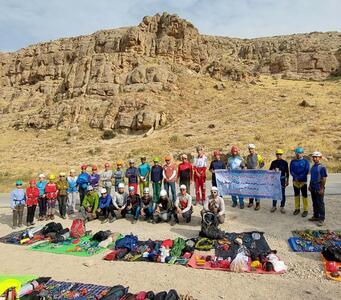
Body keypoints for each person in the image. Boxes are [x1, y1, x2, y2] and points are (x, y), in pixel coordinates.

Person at [308, 151, 328, 227]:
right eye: (313, 157)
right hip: (313, 187)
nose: (314, 158)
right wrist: (310, 185)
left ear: (320, 158)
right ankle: (316, 216)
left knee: (320, 204)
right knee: (315, 203)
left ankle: (321, 219)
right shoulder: (313, 166)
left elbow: (324, 178)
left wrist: (322, 189)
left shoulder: (322, 167)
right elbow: (312, 177)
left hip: (319, 187)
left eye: (316, 157)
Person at [290, 147, 310, 217]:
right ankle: (297, 209)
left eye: (300, 153)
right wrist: (295, 177)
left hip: (303, 181)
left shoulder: (306, 161)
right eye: (297, 153)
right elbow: (291, 171)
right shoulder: (292, 161)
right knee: (296, 195)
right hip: (295, 181)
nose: (298, 154)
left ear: (302, 153)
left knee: (304, 195)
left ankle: (305, 210)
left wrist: (299, 177)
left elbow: (306, 171)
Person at [269, 149, 289, 213]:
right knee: (274, 193)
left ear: (281, 155)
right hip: (275, 180)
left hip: (282, 180)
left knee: (282, 193)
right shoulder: (273, 162)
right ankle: (274, 206)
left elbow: (287, 172)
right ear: (276, 155)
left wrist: (287, 181)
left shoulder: (285, 162)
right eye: (277, 154)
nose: (278, 155)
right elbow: (270, 171)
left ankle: (282, 207)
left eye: (280, 154)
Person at [246, 144, 265, 210]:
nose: (250, 150)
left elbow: (262, 163)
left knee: (256, 190)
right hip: (250, 176)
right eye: (249, 149)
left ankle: (257, 204)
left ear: (254, 149)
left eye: (251, 149)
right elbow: (246, 164)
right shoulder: (247, 157)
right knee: (250, 189)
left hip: (256, 176)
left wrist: (258, 167)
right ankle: (251, 202)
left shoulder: (258, 156)